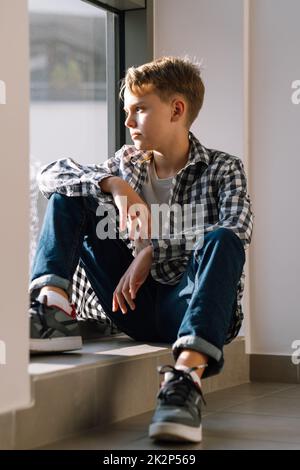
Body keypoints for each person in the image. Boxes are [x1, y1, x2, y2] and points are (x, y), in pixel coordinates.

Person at [29, 56, 254, 443]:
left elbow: (237, 229)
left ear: (177, 110)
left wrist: (149, 249)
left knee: (222, 240)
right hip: (129, 306)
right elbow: (49, 175)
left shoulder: (223, 169)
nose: (128, 122)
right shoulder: (126, 163)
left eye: (139, 110)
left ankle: (183, 383)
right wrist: (117, 186)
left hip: (188, 308)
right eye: (126, 111)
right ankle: (52, 307)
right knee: (71, 195)